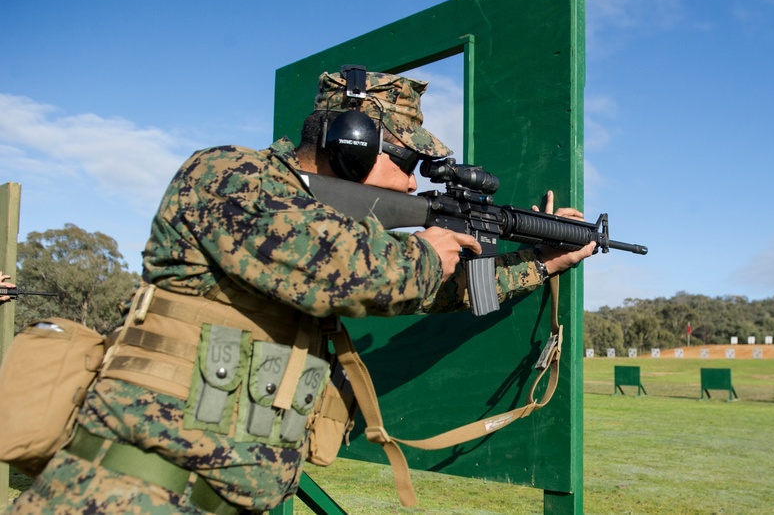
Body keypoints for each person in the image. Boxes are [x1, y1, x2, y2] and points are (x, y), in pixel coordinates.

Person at [10, 69, 593, 514]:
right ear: (354, 142)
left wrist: (542, 262)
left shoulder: (348, 236)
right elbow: (344, 271)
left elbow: (434, 287)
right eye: (408, 160)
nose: (414, 182)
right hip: (123, 492)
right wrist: (427, 248)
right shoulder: (229, 176)